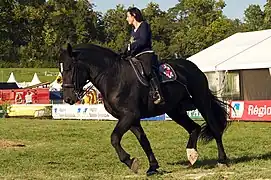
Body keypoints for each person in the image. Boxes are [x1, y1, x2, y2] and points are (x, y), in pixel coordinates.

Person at [124, 7, 164, 105]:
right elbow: (132, 45)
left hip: (146, 54)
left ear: (134, 16)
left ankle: (157, 92)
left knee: (147, 70)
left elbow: (143, 41)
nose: (127, 19)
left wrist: (130, 46)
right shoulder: (133, 31)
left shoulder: (144, 25)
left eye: (128, 16)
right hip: (136, 56)